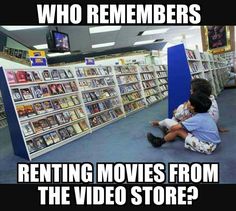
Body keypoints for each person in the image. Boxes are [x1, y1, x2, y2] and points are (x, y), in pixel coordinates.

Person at [147, 92, 221, 155]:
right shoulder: (205, 115)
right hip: (213, 143)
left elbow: (175, 127)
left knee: (177, 130)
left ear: (192, 107)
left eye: (189, 101)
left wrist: (170, 130)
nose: (187, 102)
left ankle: (158, 142)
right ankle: (168, 136)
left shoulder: (196, 119)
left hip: (206, 146)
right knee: (180, 129)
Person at [151, 78, 228, 133]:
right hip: (211, 125)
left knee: (172, 116)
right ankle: (170, 125)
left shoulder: (197, 105)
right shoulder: (211, 100)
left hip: (199, 129)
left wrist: (175, 113)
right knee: (182, 107)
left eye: (191, 89)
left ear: (197, 93)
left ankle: (163, 125)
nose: (190, 91)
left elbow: (185, 117)